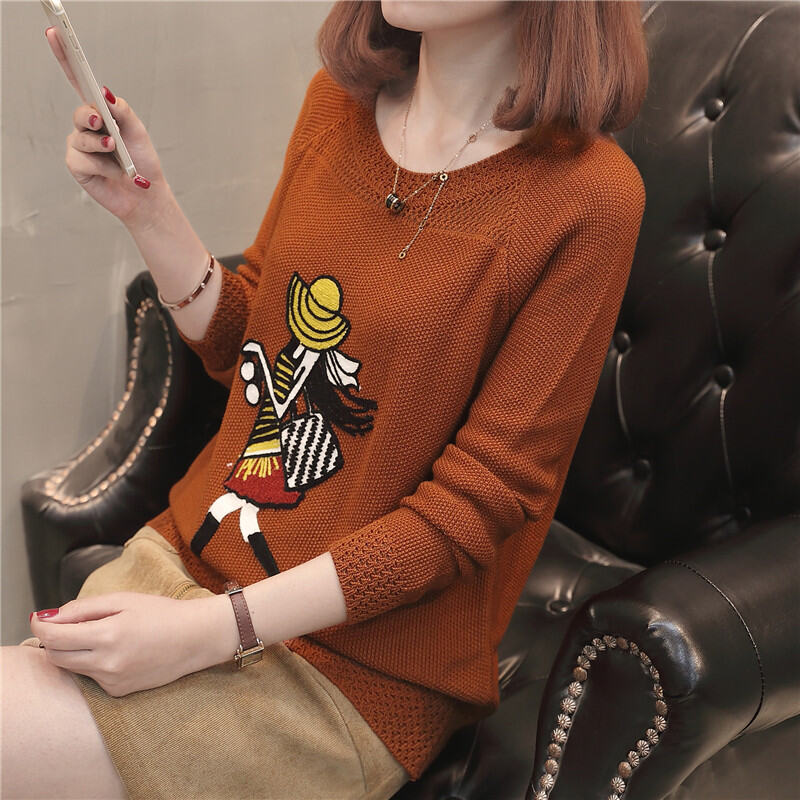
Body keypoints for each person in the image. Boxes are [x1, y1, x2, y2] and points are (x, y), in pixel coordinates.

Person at [2, 1, 649, 798]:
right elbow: (253, 350)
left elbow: (476, 506)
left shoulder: (590, 197)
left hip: (352, 668)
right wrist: (151, 209)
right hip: (188, 563)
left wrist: (211, 632)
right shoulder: (335, 108)